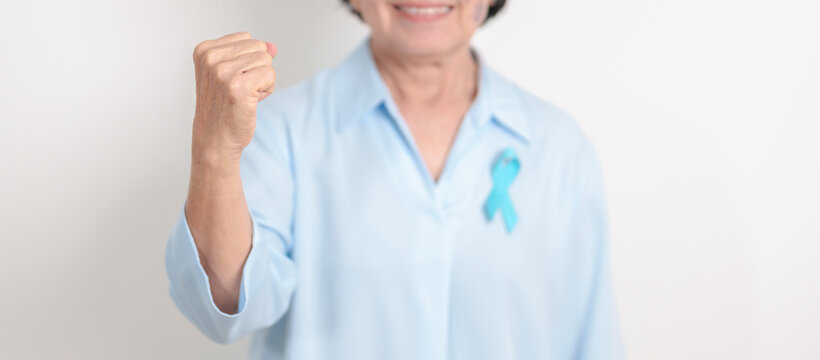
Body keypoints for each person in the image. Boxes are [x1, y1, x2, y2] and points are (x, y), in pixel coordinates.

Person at [164, 0, 624, 358]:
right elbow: (223, 307)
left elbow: (592, 342)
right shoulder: (276, 130)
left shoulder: (559, 148)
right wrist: (215, 151)